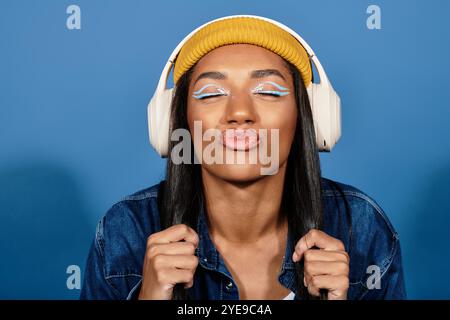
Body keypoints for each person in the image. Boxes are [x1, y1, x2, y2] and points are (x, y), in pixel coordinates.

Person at [80, 15, 406, 300]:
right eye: (210, 94)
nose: (239, 112)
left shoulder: (360, 226)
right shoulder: (126, 232)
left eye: (268, 91)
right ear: (177, 122)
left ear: (309, 118)